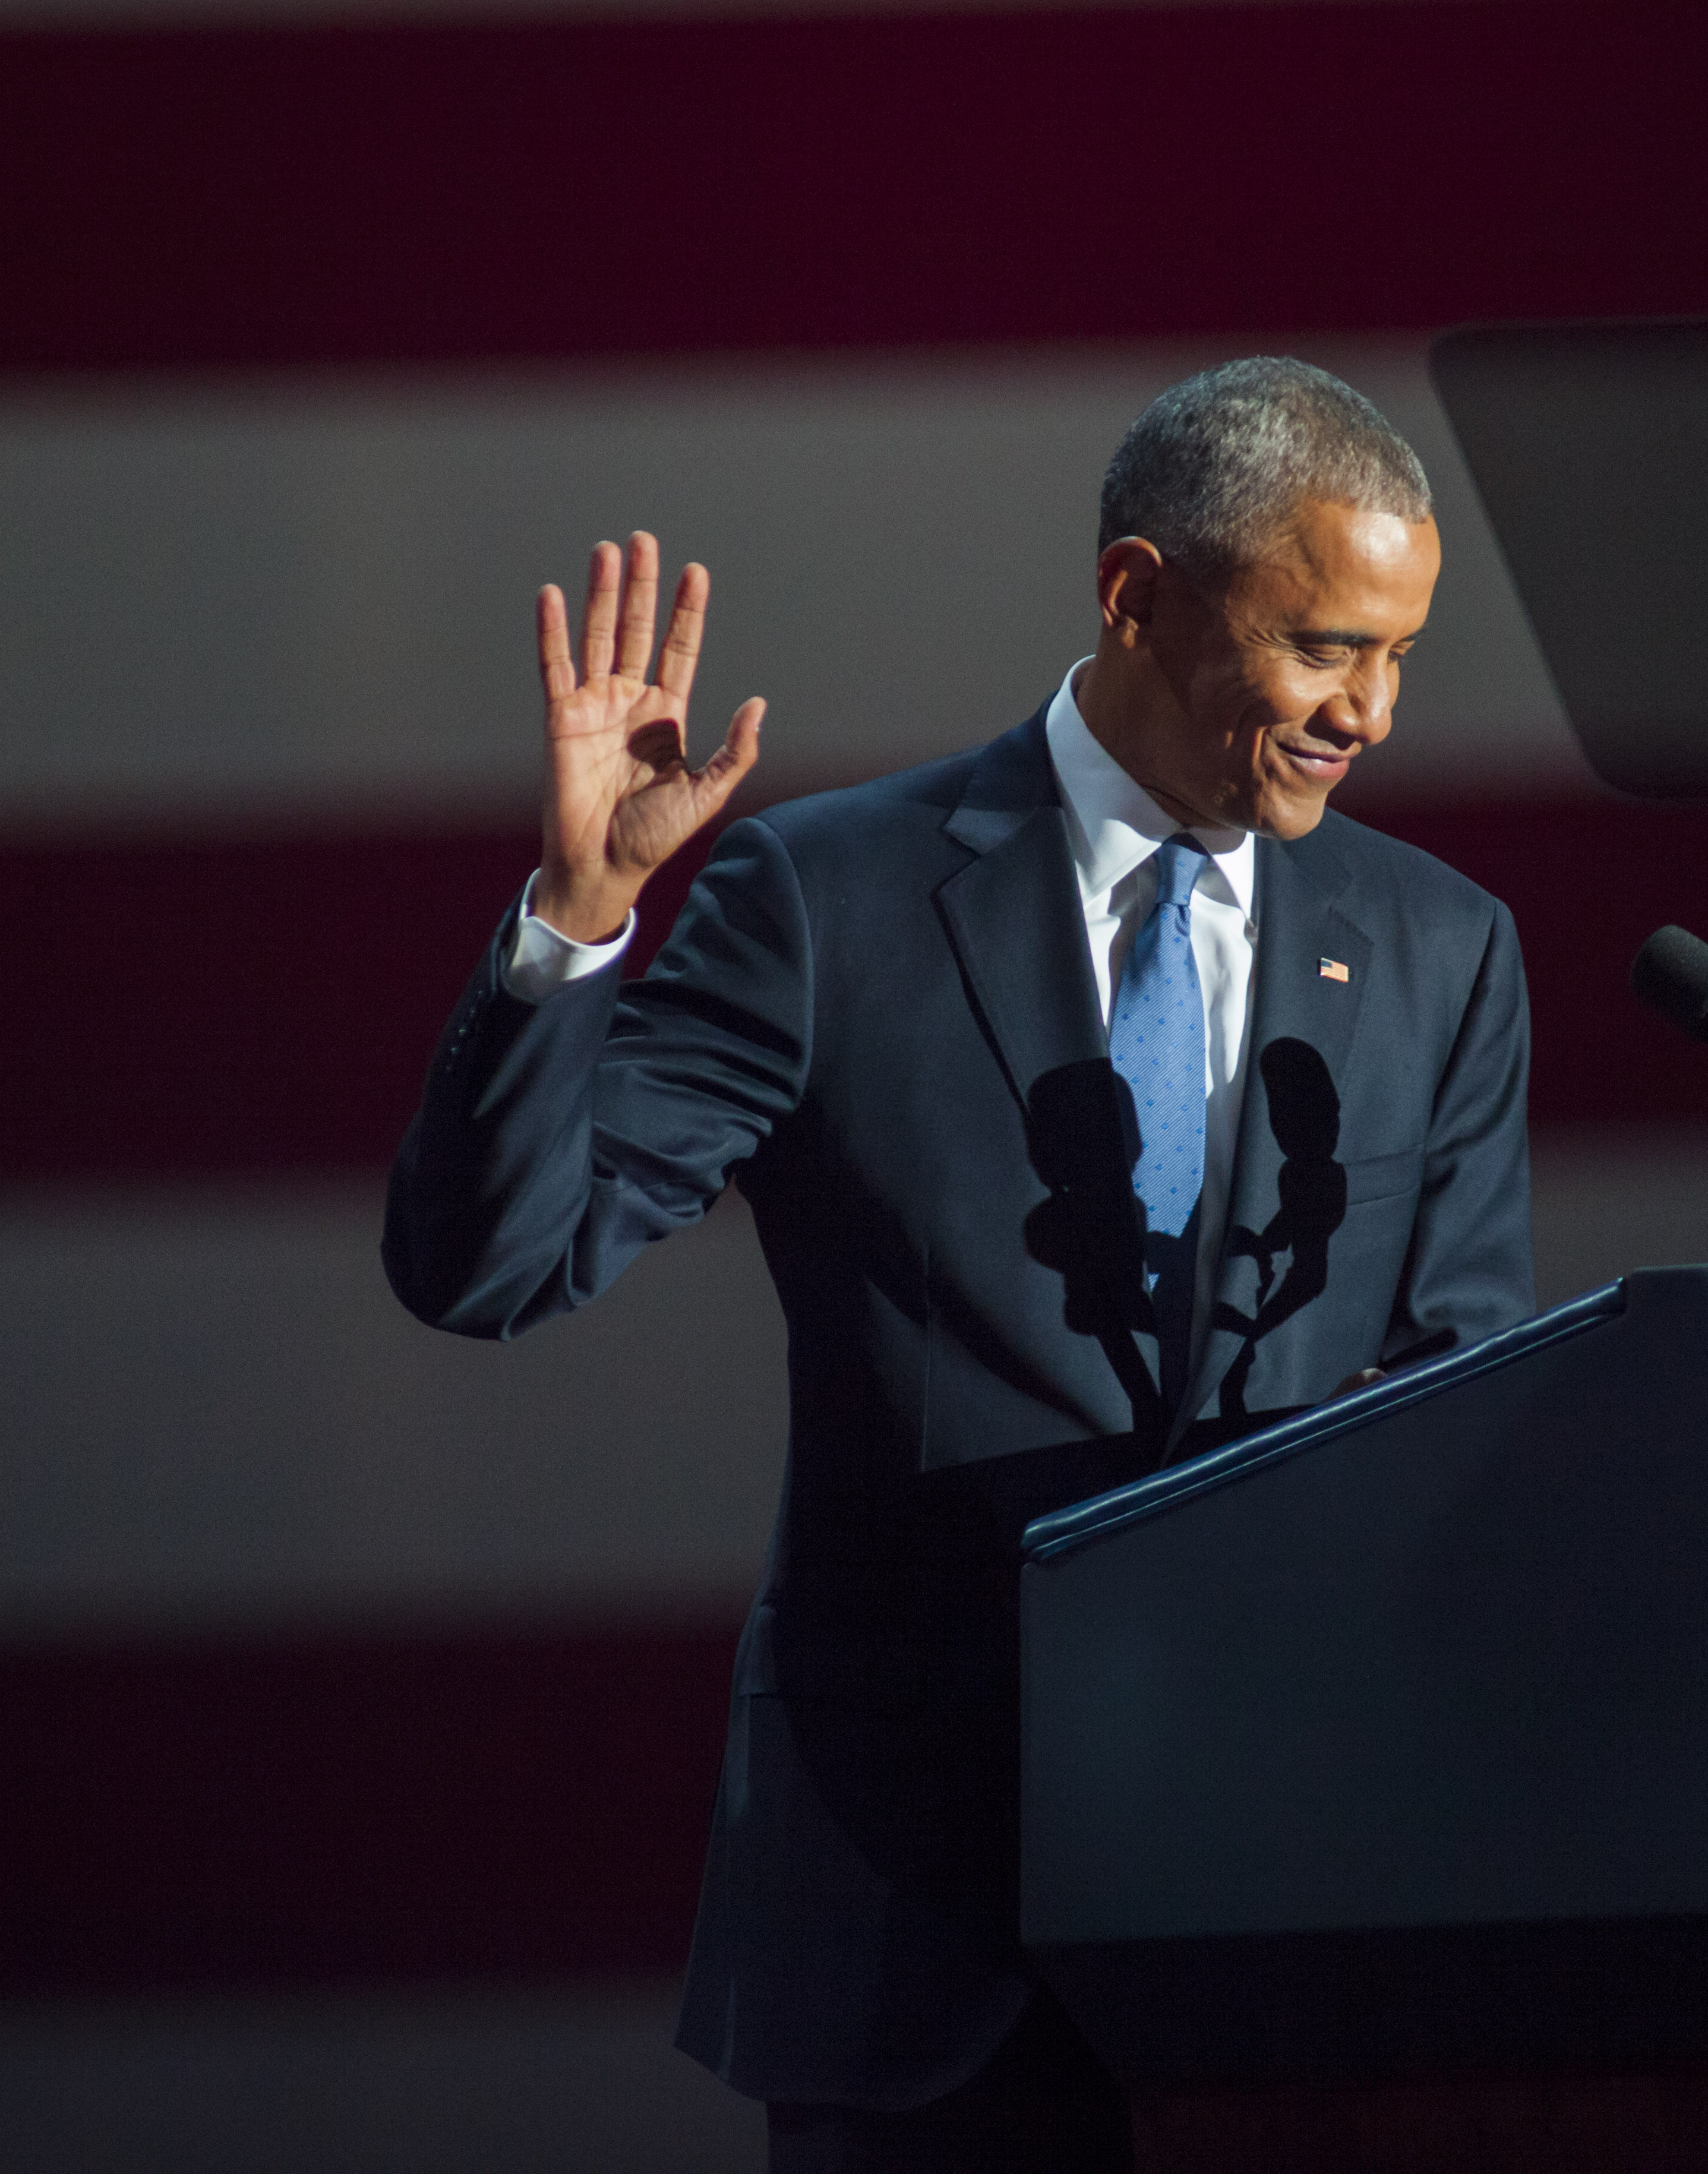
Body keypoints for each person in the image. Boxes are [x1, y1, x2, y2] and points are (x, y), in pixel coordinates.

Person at [384, 358, 1535, 2170]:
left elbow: (1466, 1408)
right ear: (1137, 595)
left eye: (1399, 656)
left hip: (1291, 1948)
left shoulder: (1440, 949)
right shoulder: (828, 904)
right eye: (1326, 649)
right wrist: (578, 923)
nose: (1371, 712)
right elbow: (490, 1266)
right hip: (915, 1945)